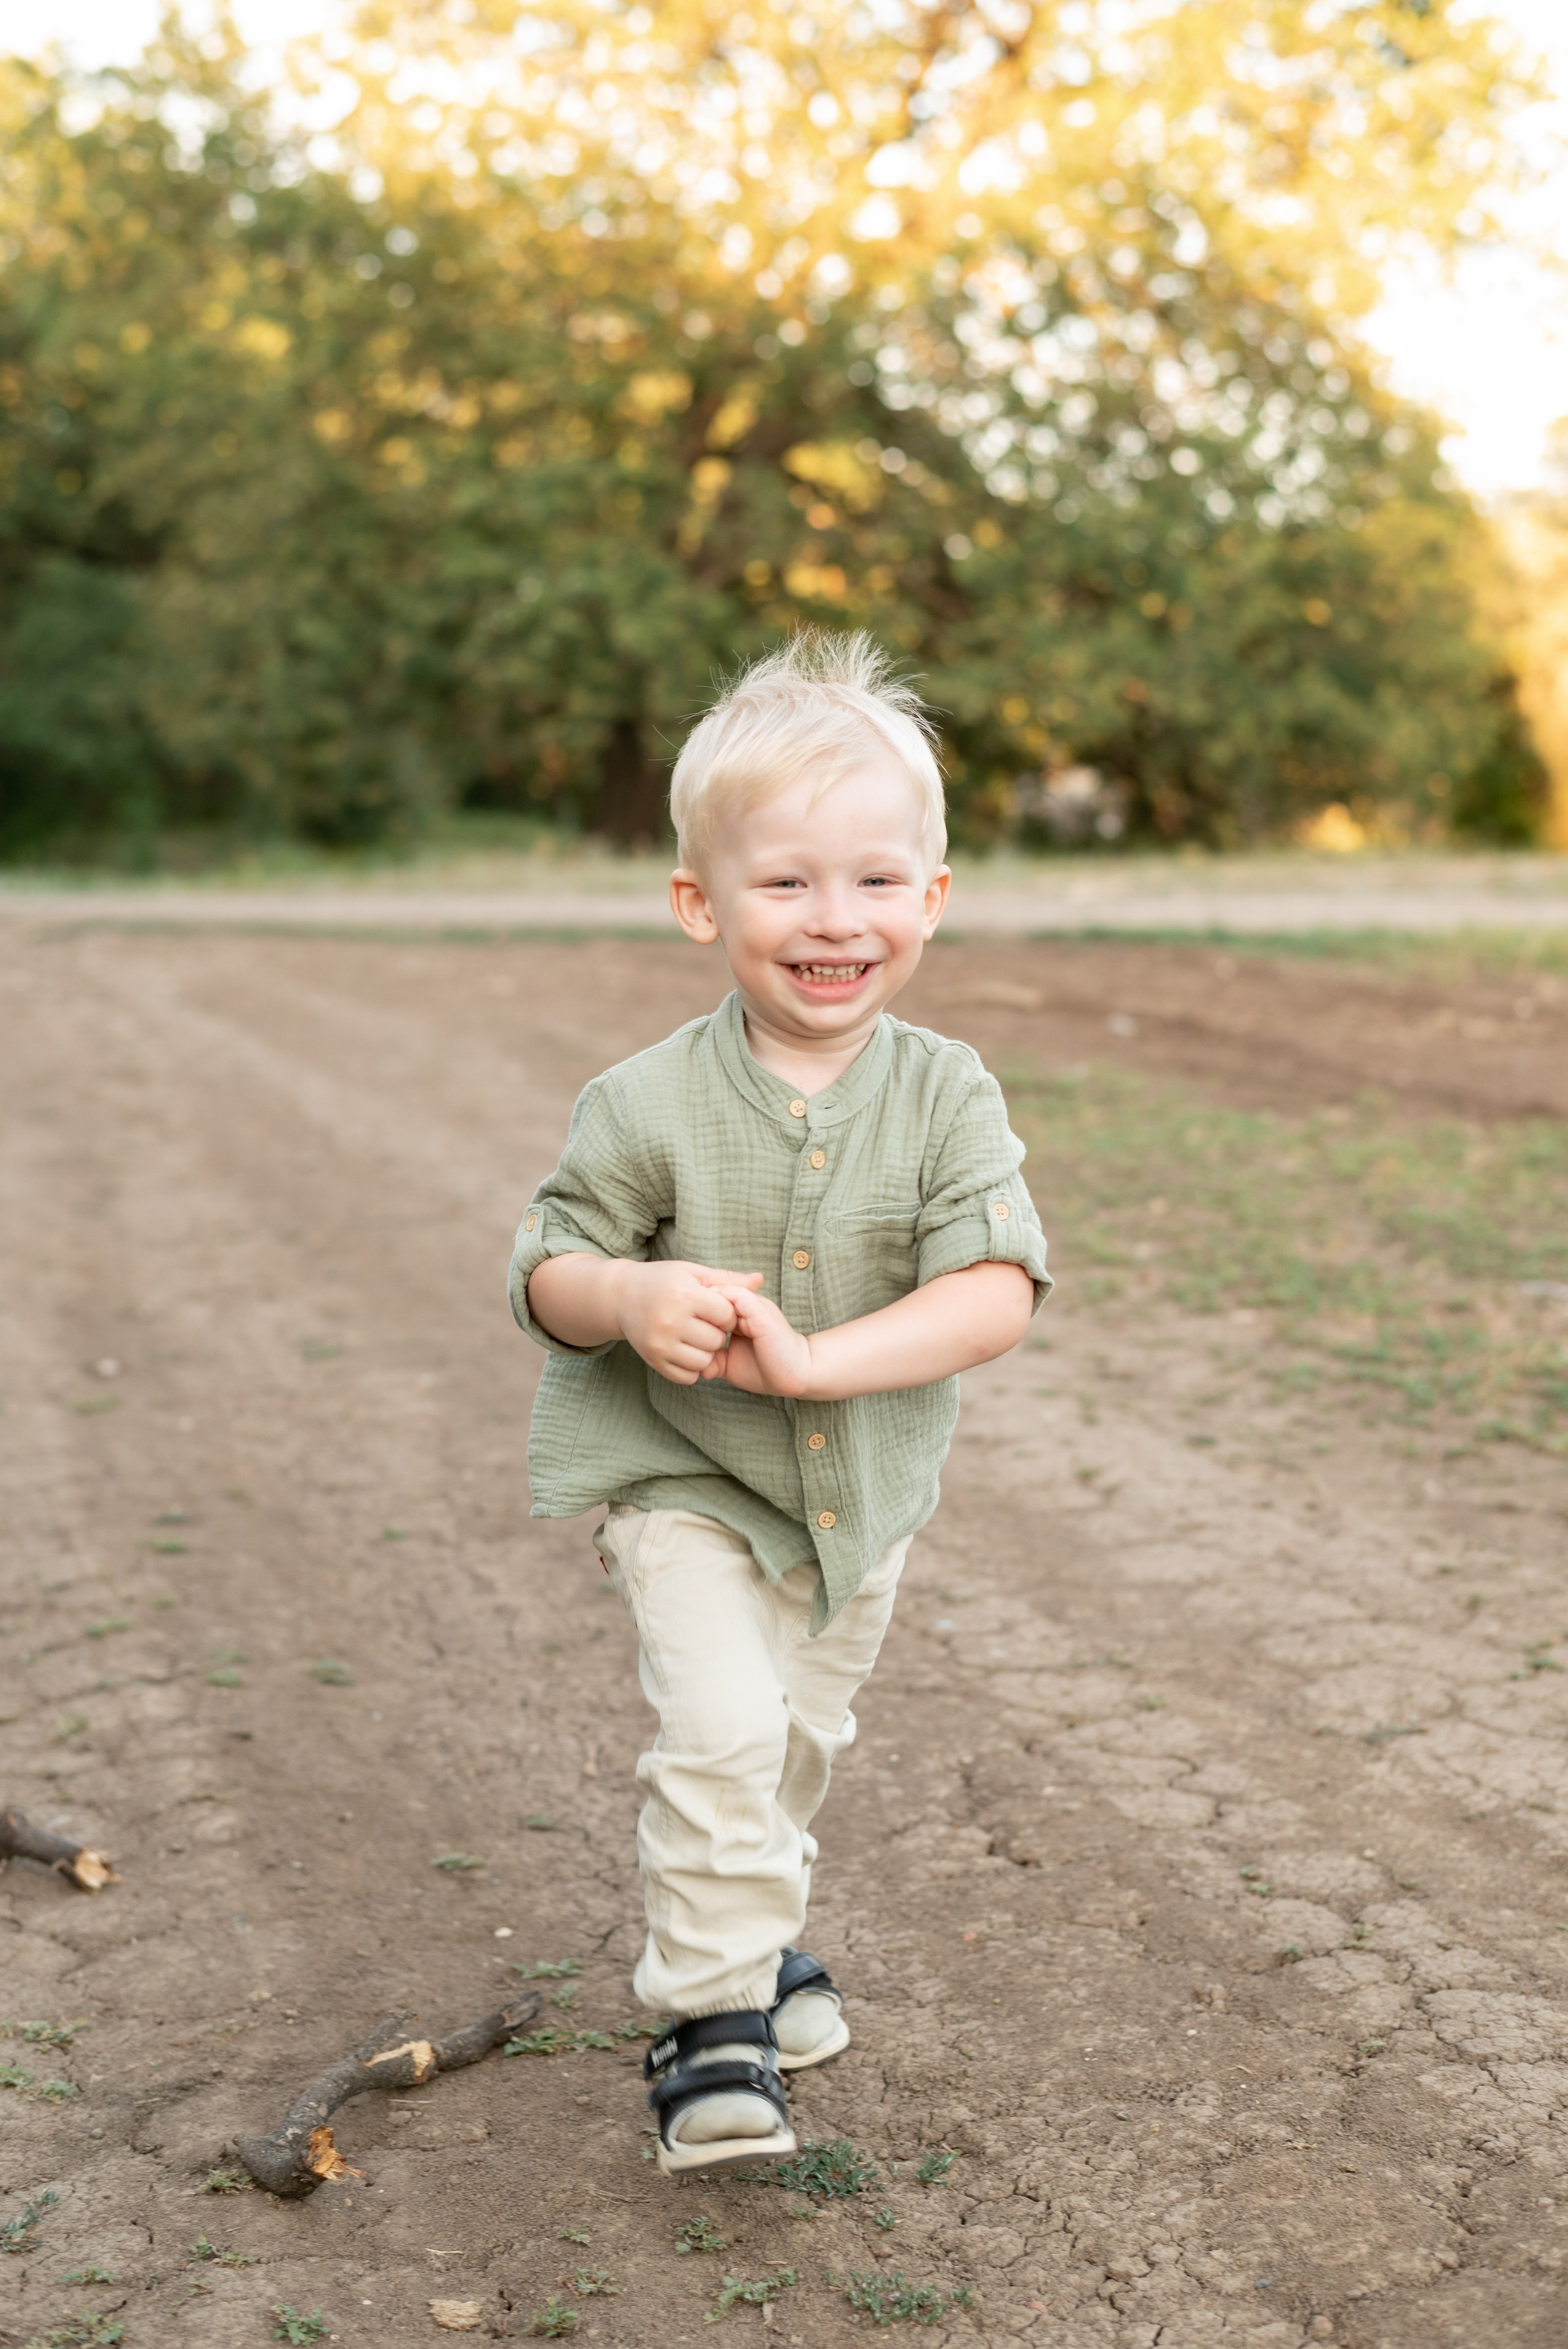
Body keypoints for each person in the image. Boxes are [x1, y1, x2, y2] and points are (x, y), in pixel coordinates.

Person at [509, 630, 1050, 2176]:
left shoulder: (947, 1094)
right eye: (787, 883)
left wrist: (818, 1360)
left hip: (853, 1499)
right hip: (682, 1479)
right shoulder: (644, 1101)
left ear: (930, 899)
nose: (835, 920)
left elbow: (997, 1290)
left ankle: (758, 1945)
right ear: (702, 903)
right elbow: (547, 1263)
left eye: (876, 881)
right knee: (727, 1729)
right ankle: (708, 2021)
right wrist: (623, 1298)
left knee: (801, 1735)